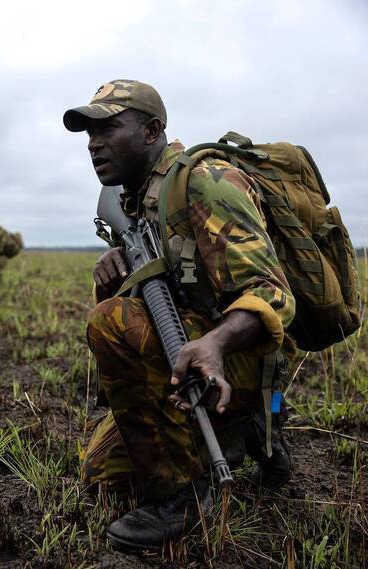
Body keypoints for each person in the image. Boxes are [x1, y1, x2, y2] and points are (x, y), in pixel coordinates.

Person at [63, 80, 296, 550]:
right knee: (101, 475)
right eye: (89, 133)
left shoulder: (205, 181)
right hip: (187, 354)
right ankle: (246, 431)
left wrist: (216, 344)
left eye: (107, 128)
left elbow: (272, 295)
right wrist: (112, 279)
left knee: (110, 322)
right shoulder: (136, 200)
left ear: (152, 131)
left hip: (234, 356)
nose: (93, 143)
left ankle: (183, 499)